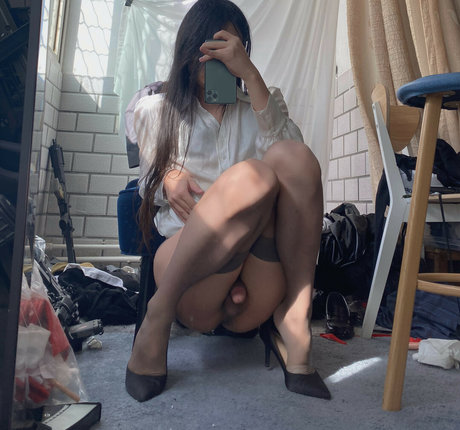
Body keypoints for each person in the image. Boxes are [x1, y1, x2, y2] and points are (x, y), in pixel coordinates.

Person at [125, 0, 331, 402]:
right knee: (253, 176)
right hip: (188, 275)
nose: (218, 55)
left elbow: (300, 171)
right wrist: (167, 178)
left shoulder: (263, 106)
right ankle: (158, 314)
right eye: (209, 45)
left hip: (258, 276)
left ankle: (295, 317)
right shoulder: (154, 111)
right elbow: (146, 183)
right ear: (189, 51)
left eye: (229, 45)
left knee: (289, 159)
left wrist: (252, 77)